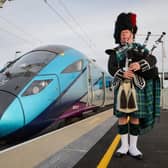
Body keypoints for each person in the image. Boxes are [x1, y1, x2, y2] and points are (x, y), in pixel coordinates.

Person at [106, 12, 161, 160]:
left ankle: (133, 147)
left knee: (135, 118)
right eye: (122, 34)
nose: (124, 36)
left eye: (127, 33)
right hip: (122, 89)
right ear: (119, 36)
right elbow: (111, 68)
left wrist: (140, 64)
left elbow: (153, 59)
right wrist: (121, 73)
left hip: (137, 89)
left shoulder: (141, 50)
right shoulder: (115, 52)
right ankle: (123, 146)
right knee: (122, 117)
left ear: (132, 34)